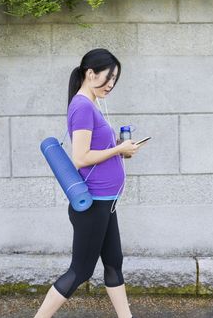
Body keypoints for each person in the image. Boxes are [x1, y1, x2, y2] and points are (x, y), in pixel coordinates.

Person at [34, 48, 147, 318]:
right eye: (107, 78)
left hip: (106, 203)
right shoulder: (82, 107)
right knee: (81, 271)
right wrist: (118, 150)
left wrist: (121, 148)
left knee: (113, 264)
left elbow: (96, 151)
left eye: (114, 80)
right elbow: (81, 158)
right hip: (93, 203)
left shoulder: (90, 105)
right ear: (90, 73)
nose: (110, 85)